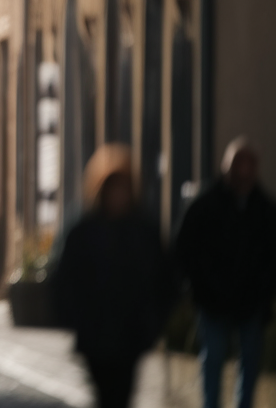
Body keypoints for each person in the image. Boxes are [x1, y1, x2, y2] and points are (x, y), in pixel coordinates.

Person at [54, 144, 173, 408]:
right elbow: (65, 279)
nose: (118, 196)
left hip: (131, 335)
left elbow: (163, 280)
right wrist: (74, 319)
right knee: (105, 396)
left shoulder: (145, 231)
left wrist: (152, 323)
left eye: (123, 188)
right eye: (112, 189)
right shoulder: (84, 231)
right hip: (95, 334)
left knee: (122, 396)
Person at [175, 138, 276, 408]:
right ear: (226, 168)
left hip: (251, 302)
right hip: (213, 301)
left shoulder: (264, 210)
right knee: (214, 358)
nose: (243, 172)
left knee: (249, 360)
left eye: (248, 166)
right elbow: (186, 250)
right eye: (237, 165)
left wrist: (263, 293)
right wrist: (199, 288)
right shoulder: (205, 206)